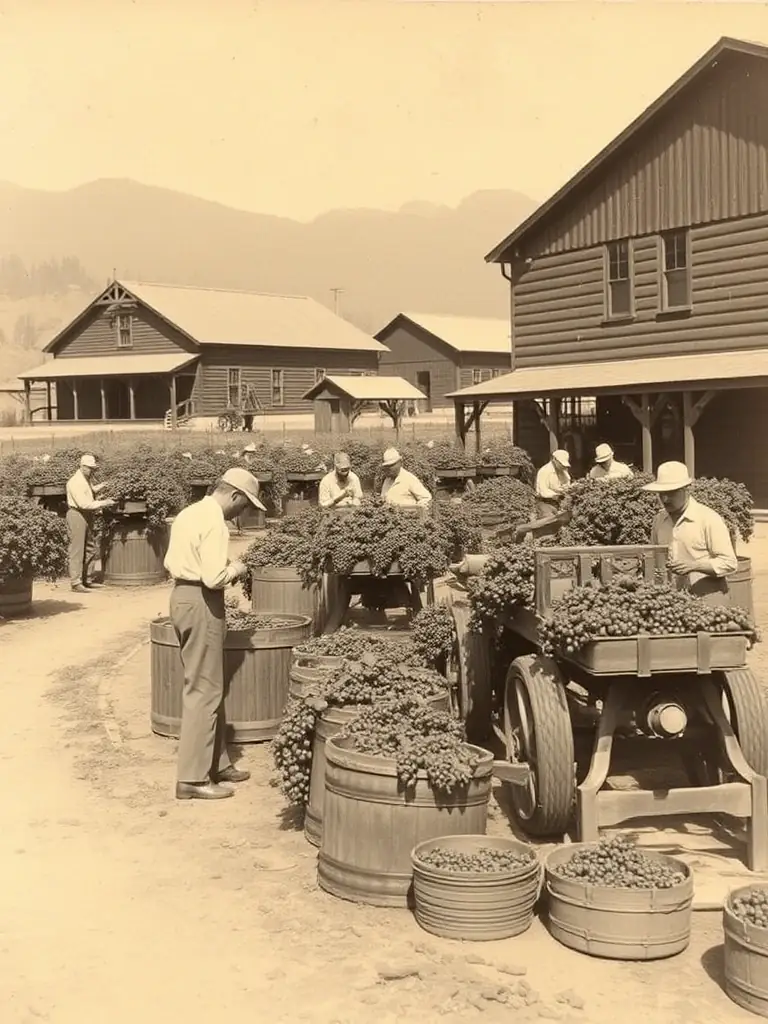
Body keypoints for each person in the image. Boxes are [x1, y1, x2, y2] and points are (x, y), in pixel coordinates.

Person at [164, 467, 266, 801]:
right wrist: (239, 567)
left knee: (210, 684)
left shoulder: (190, 512)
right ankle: (192, 779)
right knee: (204, 691)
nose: (245, 512)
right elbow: (213, 577)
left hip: (182, 598)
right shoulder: (215, 524)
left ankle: (216, 762)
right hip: (202, 601)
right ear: (234, 495)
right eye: (246, 504)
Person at [643, 461, 738, 604]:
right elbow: (654, 559)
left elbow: (729, 563)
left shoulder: (708, 519)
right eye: (661, 494)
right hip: (672, 601)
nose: (665, 499)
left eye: (671, 493)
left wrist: (694, 565)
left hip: (707, 599)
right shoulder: (659, 521)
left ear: (687, 489)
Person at [65, 454, 115, 593]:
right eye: (90, 468)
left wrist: (101, 487)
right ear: (82, 466)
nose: (92, 471)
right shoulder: (75, 482)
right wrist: (105, 503)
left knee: (90, 547)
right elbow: (84, 504)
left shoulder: (85, 478)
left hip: (87, 515)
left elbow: (90, 490)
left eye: (93, 468)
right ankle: (76, 582)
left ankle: (87, 579)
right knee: (77, 549)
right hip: (77, 514)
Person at [535, 449, 571, 518]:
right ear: (554, 460)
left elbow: (567, 484)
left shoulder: (564, 471)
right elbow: (543, 492)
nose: (562, 466)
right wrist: (558, 495)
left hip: (559, 501)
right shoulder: (544, 471)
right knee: (549, 520)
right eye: (561, 464)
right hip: (545, 502)